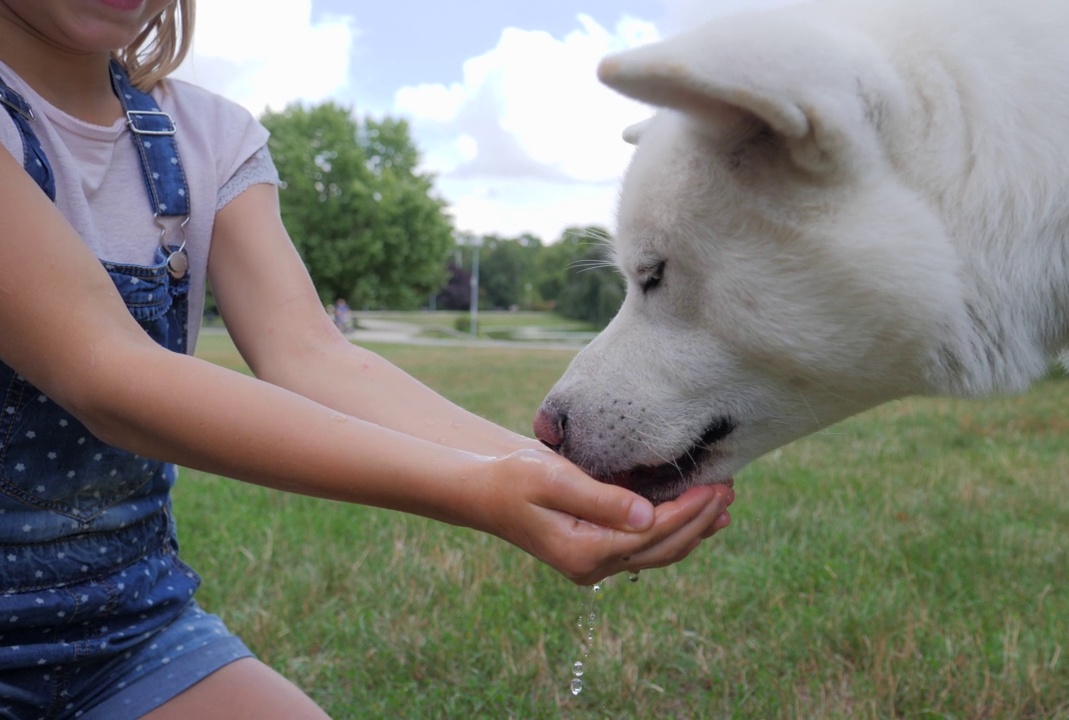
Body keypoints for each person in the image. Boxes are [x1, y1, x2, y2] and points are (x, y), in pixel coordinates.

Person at [0, 1, 735, 718]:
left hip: (130, 634)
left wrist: (559, 482)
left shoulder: (206, 139)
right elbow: (105, 370)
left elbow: (311, 356)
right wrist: (481, 493)